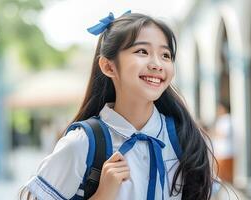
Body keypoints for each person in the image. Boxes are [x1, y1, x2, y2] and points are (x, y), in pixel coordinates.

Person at [20, 11, 217, 200]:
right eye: (142, 51)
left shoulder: (186, 139)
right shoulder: (81, 144)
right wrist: (102, 195)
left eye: (165, 55)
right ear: (108, 66)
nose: (157, 64)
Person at [212, 101, 234, 183]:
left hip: (225, 152)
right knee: (221, 175)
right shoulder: (222, 119)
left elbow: (223, 134)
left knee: (225, 176)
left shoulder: (227, 119)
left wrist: (212, 133)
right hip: (221, 153)